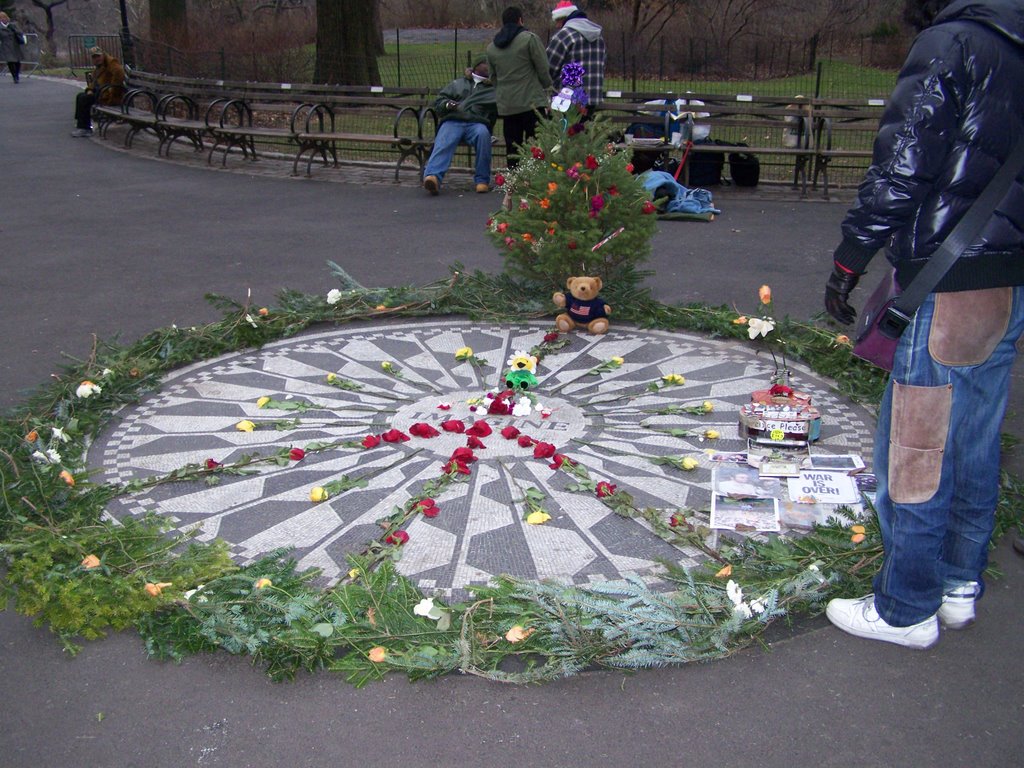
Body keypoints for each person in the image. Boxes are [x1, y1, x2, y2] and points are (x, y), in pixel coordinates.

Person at [822, 0, 1024, 650]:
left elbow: (904, 160)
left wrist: (852, 257)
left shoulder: (956, 41)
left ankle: (906, 607)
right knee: (973, 439)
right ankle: (958, 586)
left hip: (949, 280)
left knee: (914, 448)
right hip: (1007, 280)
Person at [486, 6, 552, 169]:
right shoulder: (529, 39)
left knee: (513, 148)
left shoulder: (492, 48)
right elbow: (543, 68)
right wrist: (548, 86)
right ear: (520, 20)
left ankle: (513, 183)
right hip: (532, 103)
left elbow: (493, 77)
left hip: (508, 106)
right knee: (535, 145)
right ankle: (535, 181)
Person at [422, 55, 498, 196]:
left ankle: (482, 180)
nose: (490, 68)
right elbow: (439, 102)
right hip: (454, 119)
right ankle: (433, 177)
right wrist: (448, 104)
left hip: (477, 122)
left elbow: (498, 110)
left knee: (483, 135)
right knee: (444, 138)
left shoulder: (492, 89)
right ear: (477, 66)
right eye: (487, 64)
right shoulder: (458, 84)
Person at [545, 1, 605, 110]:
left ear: (565, 18)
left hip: (567, 100)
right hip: (593, 98)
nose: (557, 25)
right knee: (583, 127)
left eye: (558, 21)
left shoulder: (564, 36)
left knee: (566, 127)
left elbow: (548, 68)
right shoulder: (598, 36)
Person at [72, 46, 126, 138]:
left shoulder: (111, 63)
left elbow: (119, 75)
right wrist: (89, 90)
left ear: (103, 55)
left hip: (107, 95)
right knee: (80, 96)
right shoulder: (99, 67)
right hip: (100, 92)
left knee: (85, 99)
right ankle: (81, 124)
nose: (97, 59)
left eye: (98, 56)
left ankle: (85, 128)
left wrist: (110, 94)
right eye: (94, 57)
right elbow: (94, 82)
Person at [0, 11, 25, 84]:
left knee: (17, 62)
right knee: (10, 62)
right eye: (1, 18)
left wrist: (15, 30)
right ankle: (14, 77)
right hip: (6, 46)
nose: (3, 19)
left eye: (4, 17)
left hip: (15, 45)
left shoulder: (13, 25)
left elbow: (20, 32)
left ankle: (17, 75)